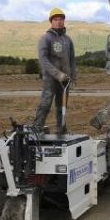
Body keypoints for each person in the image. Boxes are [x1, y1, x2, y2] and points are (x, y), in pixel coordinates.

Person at [32, 7, 77, 135]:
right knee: (45, 104)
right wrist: (57, 74)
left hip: (65, 80)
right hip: (50, 79)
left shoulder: (68, 40)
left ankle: (61, 129)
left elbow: (72, 60)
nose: (59, 22)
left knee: (62, 106)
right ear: (51, 21)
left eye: (61, 19)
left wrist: (73, 77)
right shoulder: (46, 38)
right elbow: (43, 60)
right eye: (56, 19)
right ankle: (37, 128)